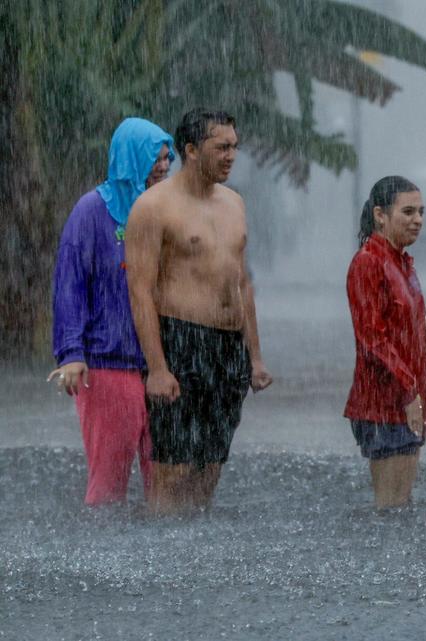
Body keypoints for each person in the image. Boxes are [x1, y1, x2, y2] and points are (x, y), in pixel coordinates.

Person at [125, 108, 272, 515]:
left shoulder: (234, 203)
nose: (231, 155)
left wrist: (255, 358)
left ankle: (194, 558)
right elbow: (140, 291)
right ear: (190, 149)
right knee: (174, 464)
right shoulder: (153, 207)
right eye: (221, 147)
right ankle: (159, 553)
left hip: (227, 348)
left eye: (234, 147)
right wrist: (157, 367)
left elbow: (242, 283)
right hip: (181, 341)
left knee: (211, 461)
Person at [48, 117, 174, 506]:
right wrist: (71, 353)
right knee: (108, 486)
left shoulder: (165, 212)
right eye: (155, 157)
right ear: (128, 159)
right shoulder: (91, 212)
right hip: (107, 365)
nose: (164, 167)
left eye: (168, 158)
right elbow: (70, 284)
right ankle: (99, 560)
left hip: (161, 367)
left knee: (168, 483)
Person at [344, 176, 426, 509]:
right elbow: (372, 338)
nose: (418, 220)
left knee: (401, 506)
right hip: (381, 402)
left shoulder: (402, 261)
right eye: (408, 212)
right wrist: (410, 389)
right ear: (380, 215)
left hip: (407, 397)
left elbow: (414, 333)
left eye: (421, 212)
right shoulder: (368, 262)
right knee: (391, 508)